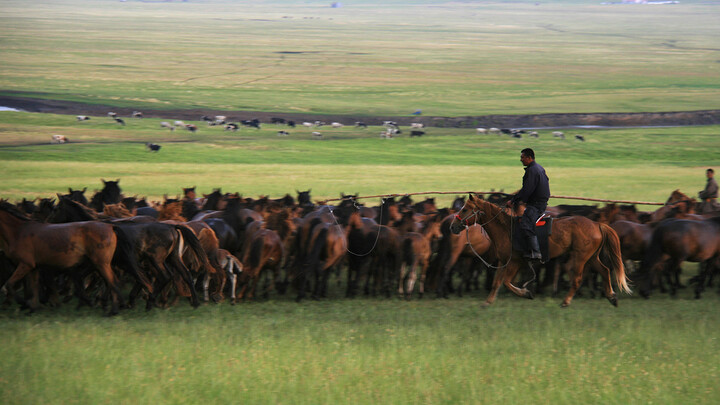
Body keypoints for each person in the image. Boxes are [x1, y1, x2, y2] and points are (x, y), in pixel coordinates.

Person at [506, 148, 550, 260]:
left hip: (536, 204)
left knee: (525, 223)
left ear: (529, 158)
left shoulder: (532, 171)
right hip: (540, 202)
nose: (521, 159)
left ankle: (536, 252)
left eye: (522, 157)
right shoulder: (539, 168)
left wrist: (513, 200)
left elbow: (527, 190)